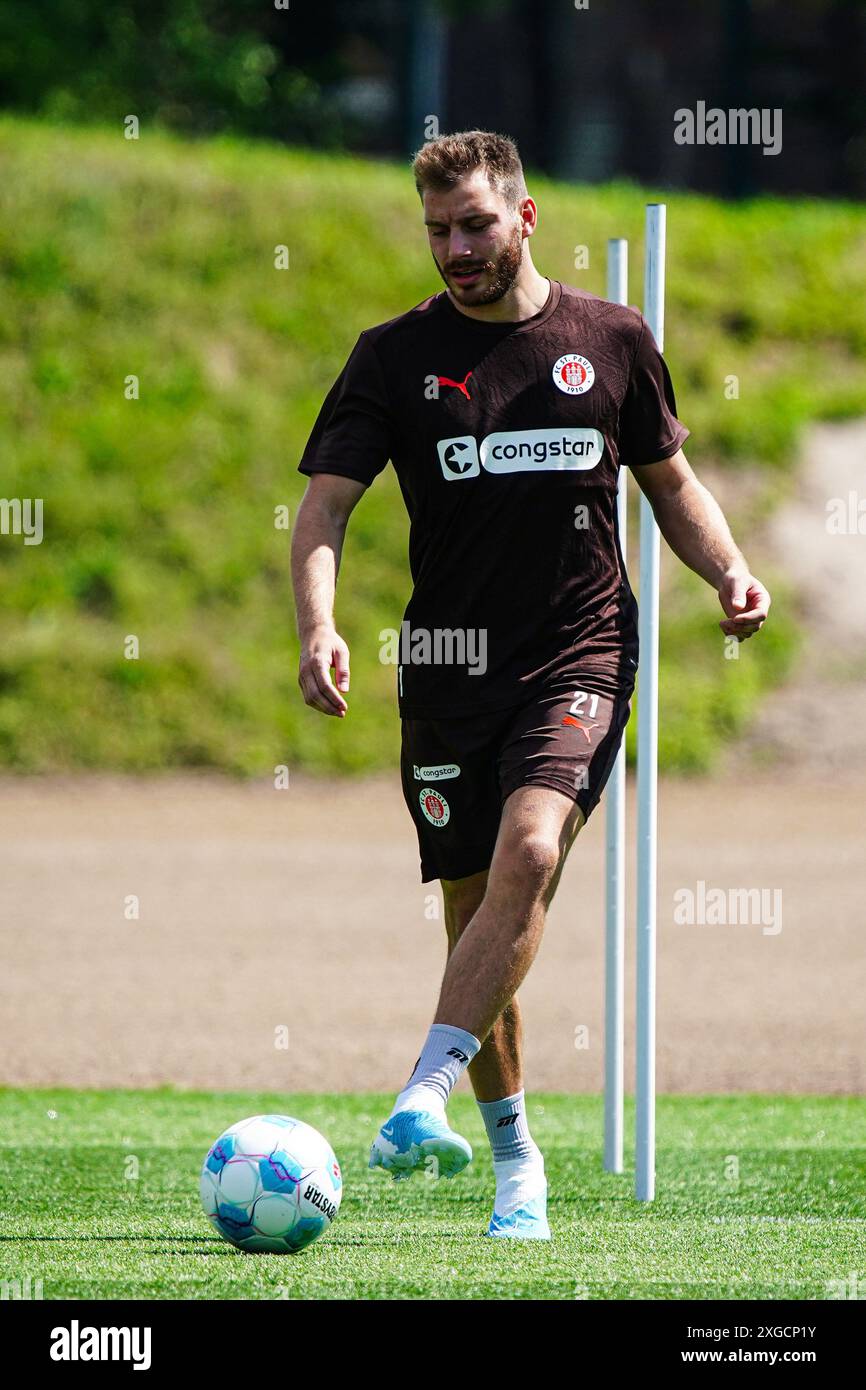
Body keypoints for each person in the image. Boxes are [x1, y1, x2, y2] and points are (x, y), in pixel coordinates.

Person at [291, 129, 770, 1240]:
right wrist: (318, 625)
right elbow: (323, 508)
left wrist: (729, 570)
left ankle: (417, 1090)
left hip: (580, 649)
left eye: (473, 225)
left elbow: (671, 482)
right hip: (447, 670)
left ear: (524, 217)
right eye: (436, 229)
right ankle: (515, 1161)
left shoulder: (609, 337)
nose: (454, 248)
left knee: (532, 850)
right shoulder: (389, 356)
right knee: (474, 917)